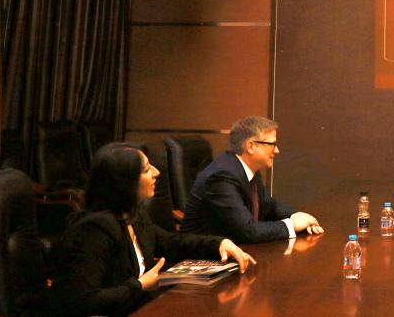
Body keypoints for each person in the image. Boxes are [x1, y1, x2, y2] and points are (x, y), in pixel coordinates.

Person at [50, 144, 253, 317]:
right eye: (147, 169)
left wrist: (219, 243)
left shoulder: (134, 217)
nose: (156, 172)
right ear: (125, 181)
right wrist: (139, 285)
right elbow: (81, 301)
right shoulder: (93, 231)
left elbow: (173, 243)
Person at [181, 116, 324, 243]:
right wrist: (292, 225)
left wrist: (298, 217)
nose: (277, 150)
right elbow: (248, 231)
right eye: (272, 144)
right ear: (251, 146)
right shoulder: (221, 176)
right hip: (203, 256)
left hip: (236, 248)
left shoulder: (248, 168)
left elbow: (269, 206)